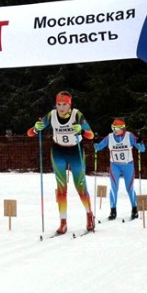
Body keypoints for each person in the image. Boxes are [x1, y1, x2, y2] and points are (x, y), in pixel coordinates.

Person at [27, 91, 95, 235]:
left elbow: (91, 134)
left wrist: (82, 131)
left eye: (64, 104)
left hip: (75, 152)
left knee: (80, 186)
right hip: (58, 152)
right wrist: (36, 128)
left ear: (69, 104)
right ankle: (63, 221)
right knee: (61, 188)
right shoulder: (51, 115)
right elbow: (30, 133)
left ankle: (89, 215)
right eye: (59, 104)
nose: (61, 107)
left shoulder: (77, 115)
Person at [93, 118, 145, 221]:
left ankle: (134, 209)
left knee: (129, 187)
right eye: (113, 128)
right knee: (114, 188)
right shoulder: (109, 137)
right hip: (114, 165)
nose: (115, 130)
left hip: (128, 165)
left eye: (117, 128)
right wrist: (95, 142)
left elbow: (142, 149)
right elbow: (97, 148)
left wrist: (140, 141)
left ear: (123, 128)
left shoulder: (129, 136)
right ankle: (113, 210)